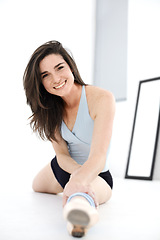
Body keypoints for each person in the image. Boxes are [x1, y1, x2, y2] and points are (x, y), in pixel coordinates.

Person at [23, 40, 115, 237]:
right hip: (65, 167)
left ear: (70, 66)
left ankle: (78, 219)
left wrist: (80, 180)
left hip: (96, 174)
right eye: (45, 75)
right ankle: (76, 192)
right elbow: (61, 154)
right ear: (41, 84)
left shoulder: (102, 98)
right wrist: (74, 175)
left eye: (59, 68)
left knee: (79, 197)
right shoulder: (50, 109)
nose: (56, 78)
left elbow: (99, 156)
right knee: (36, 186)